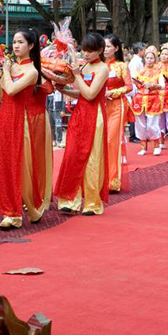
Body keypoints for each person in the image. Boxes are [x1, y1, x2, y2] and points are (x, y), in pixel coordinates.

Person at [0, 30, 52, 230]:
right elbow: (0, 97)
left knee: (19, 167)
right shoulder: (12, 67)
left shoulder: (32, 71)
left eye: (20, 42)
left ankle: (18, 212)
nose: (15, 46)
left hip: (19, 121)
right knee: (4, 166)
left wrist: (6, 71)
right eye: (14, 42)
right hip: (4, 120)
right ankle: (13, 210)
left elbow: (13, 90)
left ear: (31, 46)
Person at [54, 33, 109, 215]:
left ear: (100, 50)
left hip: (95, 116)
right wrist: (65, 90)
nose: (85, 54)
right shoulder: (83, 66)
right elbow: (82, 94)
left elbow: (91, 94)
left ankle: (92, 203)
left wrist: (76, 76)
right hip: (79, 114)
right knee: (72, 155)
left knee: (92, 158)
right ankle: (70, 199)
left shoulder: (103, 69)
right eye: (84, 50)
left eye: (90, 51)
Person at [102, 34, 132, 192]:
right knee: (100, 142)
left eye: (108, 46)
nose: (105, 49)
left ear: (116, 48)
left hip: (116, 106)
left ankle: (113, 180)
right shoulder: (98, 65)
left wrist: (113, 92)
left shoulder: (121, 66)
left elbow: (129, 86)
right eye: (103, 46)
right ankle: (99, 178)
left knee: (111, 141)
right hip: (100, 106)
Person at [131, 46, 164, 156]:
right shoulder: (138, 71)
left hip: (153, 99)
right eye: (147, 58)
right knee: (140, 124)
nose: (149, 60)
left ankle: (156, 145)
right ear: (144, 58)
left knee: (152, 124)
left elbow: (162, 86)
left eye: (151, 58)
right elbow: (133, 86)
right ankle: (143, 147)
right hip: (139, 99)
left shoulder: (158, 72)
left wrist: (153, 85)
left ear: (155, 59)